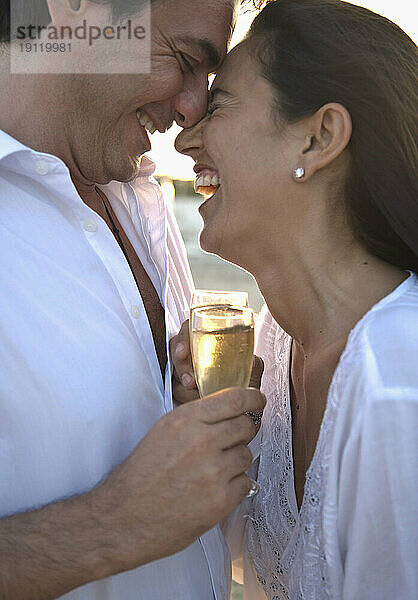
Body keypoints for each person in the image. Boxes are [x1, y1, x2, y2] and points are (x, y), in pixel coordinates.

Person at [0, 1, 267, 599]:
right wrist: (109, 526)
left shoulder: (138, 192)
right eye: (186, 59)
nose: (195, 109)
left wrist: (168, 396)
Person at [173, 0, 418, 597]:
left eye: (219, 105)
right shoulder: (277, 346)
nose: (185, 139)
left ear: (318, 137)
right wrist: (205, 437)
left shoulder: (397, 385)